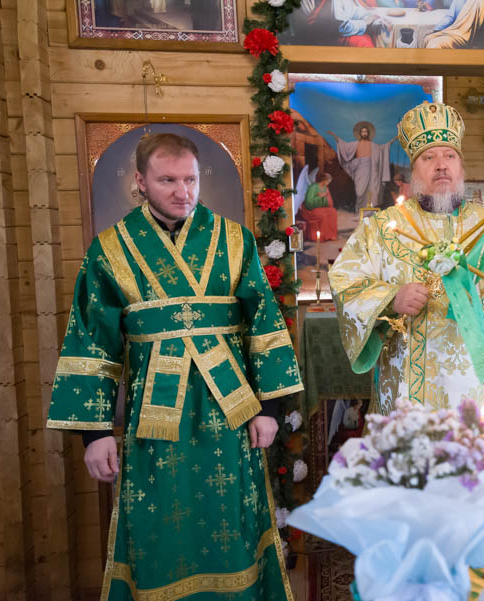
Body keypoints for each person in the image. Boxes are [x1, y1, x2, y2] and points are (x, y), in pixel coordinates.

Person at [46, 133, 303, 600]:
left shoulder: (234, 240)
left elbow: (264, 324)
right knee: (160, 528)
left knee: (233, 524)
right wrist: (94, 433)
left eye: (191, 179)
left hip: (230, 412)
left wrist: (269, 408)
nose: (183, 192)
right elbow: (92, 343)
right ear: (141, 182)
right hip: (154, 419)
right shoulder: (110, 249)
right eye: (168, 180)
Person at [328, 101, 484, 419]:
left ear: (460, 167)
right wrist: (391, 298)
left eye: (450, 156)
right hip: (407, 392)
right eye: (429, 157)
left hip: (483, 392)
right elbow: (345, 281)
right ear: (414, 170)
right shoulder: (381, 228)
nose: (441, 165)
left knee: (482, 449)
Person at [327, 122, 394, 211]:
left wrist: (393, 139)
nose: (364, 133)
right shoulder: (356, 144)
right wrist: (333, 135)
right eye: (362, 132)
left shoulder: (373, 145)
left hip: (371, 168)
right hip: (360, 168)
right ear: (360, 133)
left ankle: (370, 211)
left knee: (372, 189)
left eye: (366, 132)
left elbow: (383, 148)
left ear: (368, 133)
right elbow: (344, 145)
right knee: (359, 191)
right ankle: (360, 210)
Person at [299, 170, 339, 241]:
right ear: (323, 180)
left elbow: (329, 203)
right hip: (311, 209)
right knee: (323, 215)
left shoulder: (325, 188)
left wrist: (326, 197)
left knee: (333, 212)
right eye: (328, 181)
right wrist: (320, 197)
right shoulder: (313, 187)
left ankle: (330, 235)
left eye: (329, 181)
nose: (328, 183)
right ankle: (322, 236)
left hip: (322, 208)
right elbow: (308, 202)